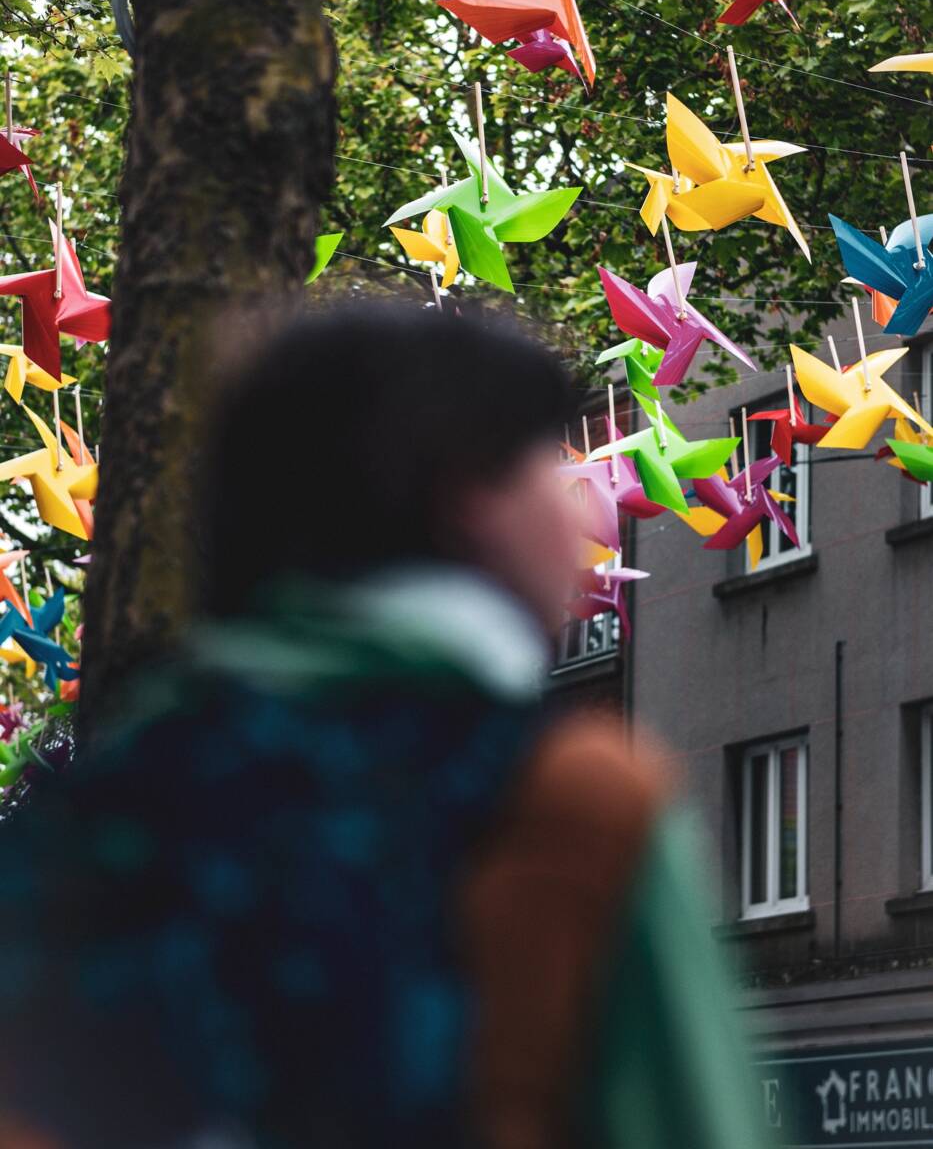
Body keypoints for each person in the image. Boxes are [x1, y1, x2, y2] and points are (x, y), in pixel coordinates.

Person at [0, 301, 771, 1149]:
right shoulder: (565, 798)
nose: (581, 507)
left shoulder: (97, 797)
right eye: (544, 465)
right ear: (466, 496)